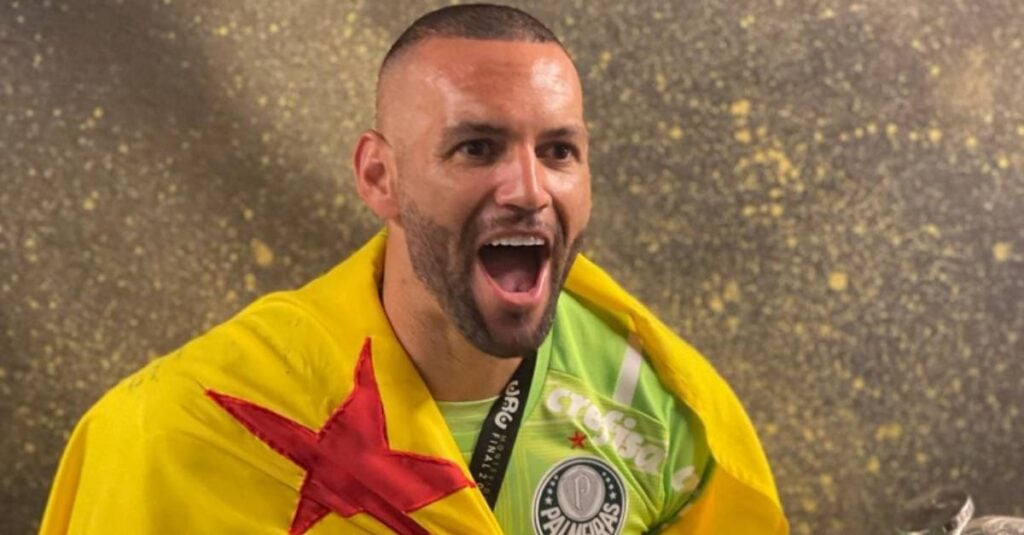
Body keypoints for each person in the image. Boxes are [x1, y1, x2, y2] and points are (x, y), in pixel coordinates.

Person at [41, 4, 787, 534]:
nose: (529, 190)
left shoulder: (660, 416)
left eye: (558, 151)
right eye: (476, 147)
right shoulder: (179, 429)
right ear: (379, 177)